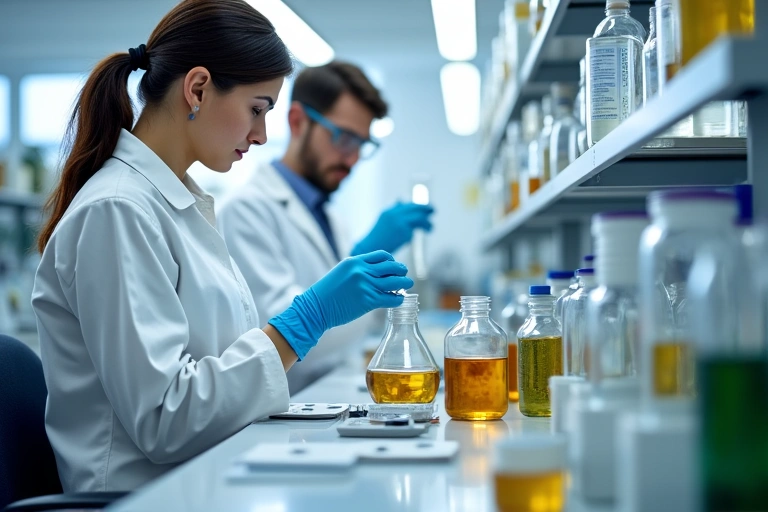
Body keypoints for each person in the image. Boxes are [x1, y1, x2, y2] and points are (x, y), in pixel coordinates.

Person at [31, 0, 412, 493]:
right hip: (142, 496)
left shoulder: (176, 204)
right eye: (258, 109)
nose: (262, 135)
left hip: (206, 474)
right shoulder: (118, 209)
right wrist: (303, 323)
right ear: (197, 89)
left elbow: (214, 374)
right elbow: (165, 419)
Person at [218, 62, 434, 391]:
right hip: (284, 406)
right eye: (344, 138)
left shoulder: (329, 216)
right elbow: (278, 333)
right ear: (297, 121)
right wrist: (353, 277)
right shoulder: (247, 210)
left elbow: (353, 323)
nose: (352, 160)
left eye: (362, 145)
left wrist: (373, 279)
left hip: (329, 397)